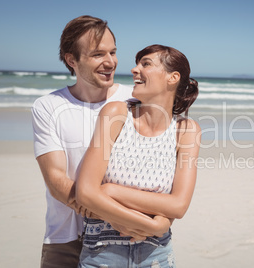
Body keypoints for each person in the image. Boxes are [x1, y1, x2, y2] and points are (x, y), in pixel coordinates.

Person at [31, 16, 171, 268]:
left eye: (113, 52)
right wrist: (118, 218)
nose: (110, 62)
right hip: (66, 237)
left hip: (129, 239)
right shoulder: (48, 106)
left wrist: (150, 222)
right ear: (71, 60)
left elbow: (161, 172)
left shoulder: (136, 99)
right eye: (97, 54)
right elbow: (56, 181)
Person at [76, 44, 201, 267]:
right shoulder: (116, 114)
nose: (134, 70)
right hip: (101, 254)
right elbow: (85, 192)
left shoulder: (186, 130)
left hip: (157, 256)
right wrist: (154, 225)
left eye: (146, 64)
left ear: (172, 78)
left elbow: (179, 205)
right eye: (136, 64)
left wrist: (110, 191)